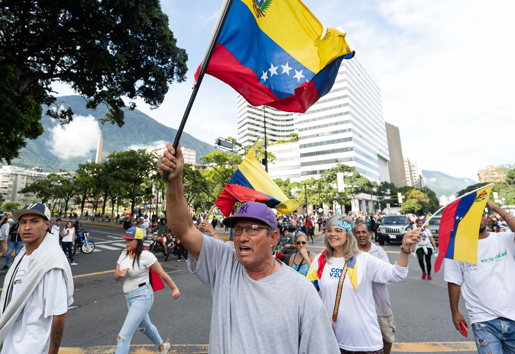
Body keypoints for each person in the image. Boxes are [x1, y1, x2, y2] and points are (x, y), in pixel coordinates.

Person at [158, 144, 340, 354]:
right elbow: (184, 229)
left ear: (273, 237)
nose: (242, 237)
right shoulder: (225, 262)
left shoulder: (301, 292)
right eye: (238, 229)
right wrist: (174, 181)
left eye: (253, 229)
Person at [0, 202, 73, 354]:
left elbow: (58, 316)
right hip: (9, 345)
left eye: (34, 221)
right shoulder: (22, 256)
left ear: (46, 224)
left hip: (33, 347)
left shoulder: (51, 263)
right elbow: (11, 305)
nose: (27, 227)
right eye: (23, 222)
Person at [446, 200, 515, 354]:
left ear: (488, 217)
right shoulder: (457, 248)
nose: (479, 218)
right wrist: (455, 311)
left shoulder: (504, 239)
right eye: (473, 216)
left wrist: (497, 208)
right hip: (483, 320)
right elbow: (454, 281)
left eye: (482, 214)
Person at [310, 216, 418, 354]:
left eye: (338, 230)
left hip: (364, 343)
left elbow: (397, 274)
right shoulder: (320, 260)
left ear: (348, 234)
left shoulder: (363, 259)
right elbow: (308, 295)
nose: (332, 234)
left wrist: (405, 246)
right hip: (333, 342)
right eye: (329, 230)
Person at [114, 227, 179, 354]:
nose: (127, 242)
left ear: (138, 240)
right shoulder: (123, 254)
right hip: (129, 297)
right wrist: (120, 274)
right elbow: (115, 277)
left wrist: (174, 288)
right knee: (144, 327)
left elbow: (162, 273)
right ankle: (162, 347)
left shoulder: (146, 256)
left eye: (130, 240)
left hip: (142, 296)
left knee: (123, 337)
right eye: (125, 240)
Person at [354, 223, 396, 354]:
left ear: (369, 234)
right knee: (362, 339)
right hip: (359, 305)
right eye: (358, 232)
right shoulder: (351, 252)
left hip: (380, 303)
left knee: (387, 337)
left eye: (363, 232)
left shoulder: (379, 251)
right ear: (354, 235)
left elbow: (387, 275)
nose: (361, 235)